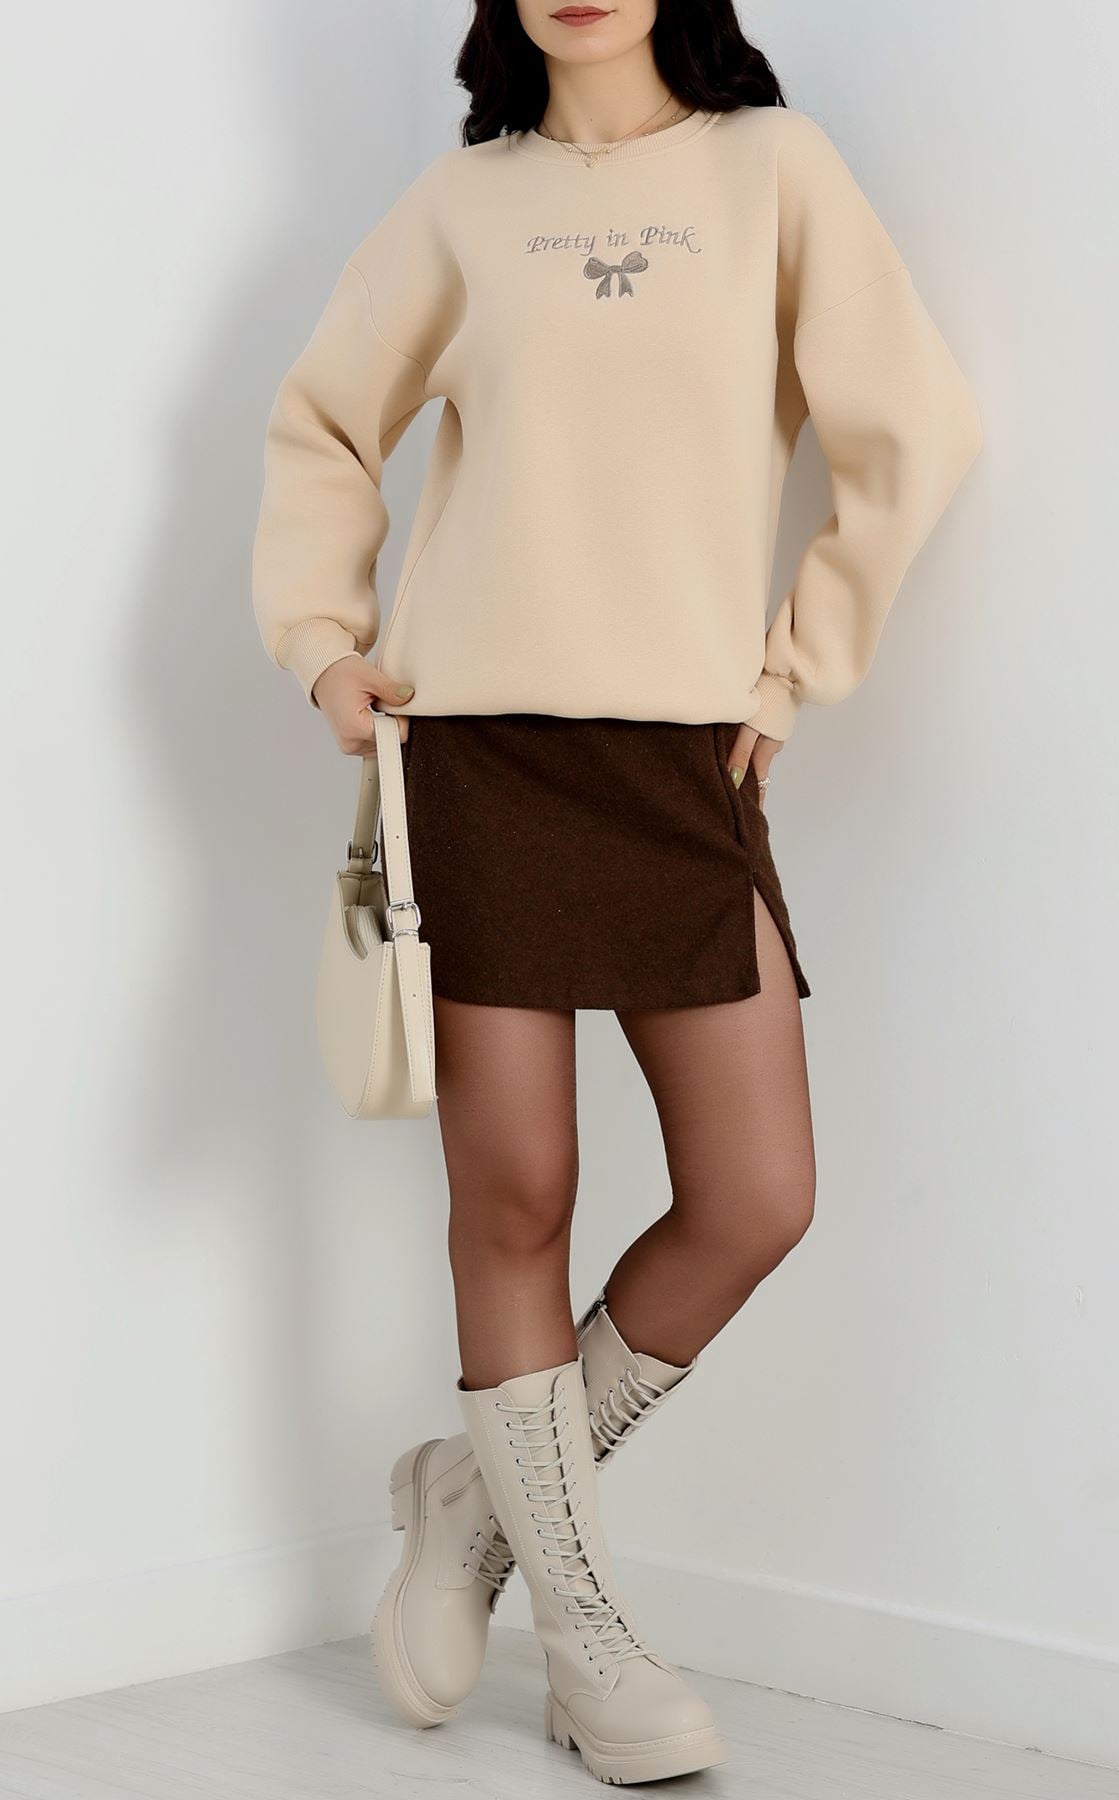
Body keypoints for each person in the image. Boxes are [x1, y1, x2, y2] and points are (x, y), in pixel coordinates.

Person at [251, 0, 982, 1783]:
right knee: (519, 1195)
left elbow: (916, 424)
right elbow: (323, 423)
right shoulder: (463, 204)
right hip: (479, 753)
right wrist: (326, 641)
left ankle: (475, 1503)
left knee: (755, 1196)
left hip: (680, 762)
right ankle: (584, 1636)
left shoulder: (774, 171)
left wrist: (794, 669)